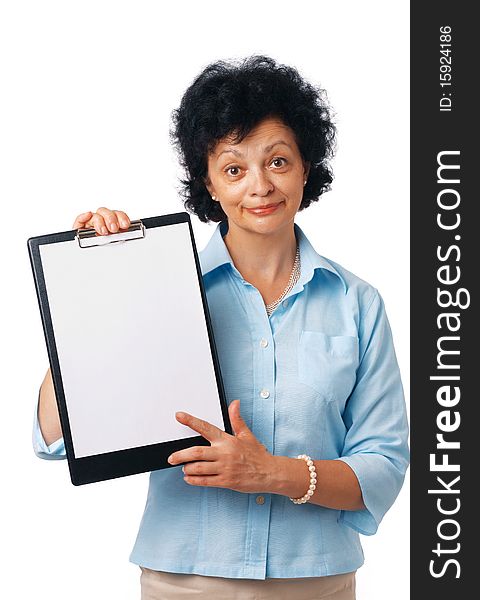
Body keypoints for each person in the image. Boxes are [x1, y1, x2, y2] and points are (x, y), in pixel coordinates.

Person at [33, 55, 409, 599]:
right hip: (183, 582)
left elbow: (383, 467)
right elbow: (54, 435)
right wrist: (98, 284)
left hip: (315, 583)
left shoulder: (357, 303)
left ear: (307, 167)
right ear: (208, 183)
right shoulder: (159, 288)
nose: (259, 185)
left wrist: (272, 473)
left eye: (278, 161)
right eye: (234, 168)